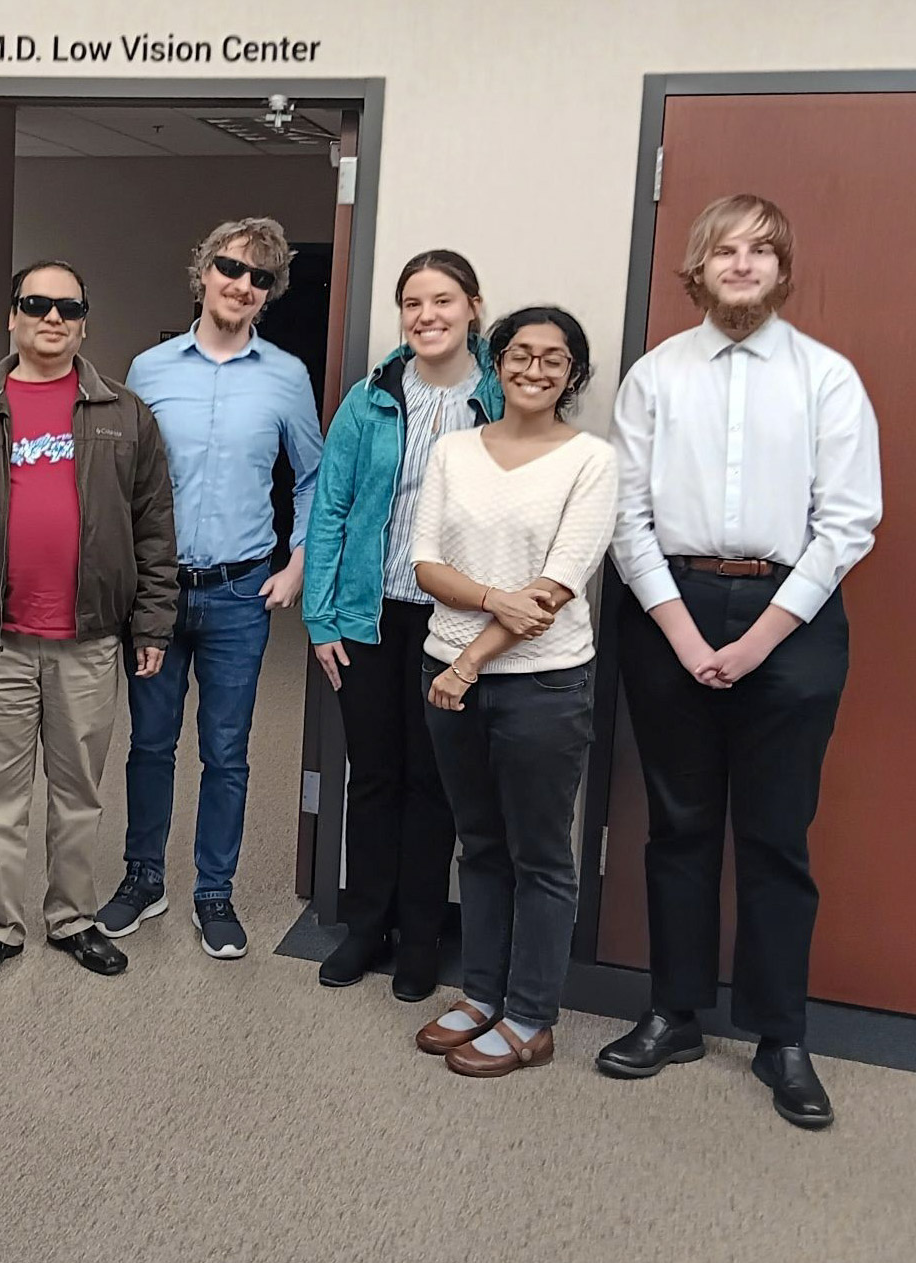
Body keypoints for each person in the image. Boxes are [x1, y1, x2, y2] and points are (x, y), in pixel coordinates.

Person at [599, 194, 881, 1129]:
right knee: (678, 826)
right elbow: (627, 518)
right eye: (728, 248)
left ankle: (780, 1036)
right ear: (700, 265)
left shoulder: (827, 378)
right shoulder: (654, 377)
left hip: (791, 614)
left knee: (774, 834)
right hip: (667, 607)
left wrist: (758, 640)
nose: (745, 262)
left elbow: (848, 524)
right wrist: (683, 634)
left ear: (781, 268)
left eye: (763, 250)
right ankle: (675, 1013)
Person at [0, 260, 178, 986]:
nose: (51, 318)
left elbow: (155, 526)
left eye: (67, 307)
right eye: (36, 304)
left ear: (84, 320)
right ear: (12, 316)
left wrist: (151, 623)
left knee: (78, 791)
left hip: (89, 639)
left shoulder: (125, 413)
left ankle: (73, 917)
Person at [102, 217, 323, 960]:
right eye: (231, 268)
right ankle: (142, 877)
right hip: (158, 595)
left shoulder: (287, 377)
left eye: (260, 277)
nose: (243, 285)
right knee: (150, 744)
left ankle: (213, 890)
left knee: (226, 749)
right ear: (203, 273)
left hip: (239, 594)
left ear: (269, 294)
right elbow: (125, 479)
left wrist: (296, 564)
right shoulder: (150, 369)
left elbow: (317, 476)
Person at [410, 307, 617, 1078]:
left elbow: (556, 590)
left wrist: (470, 662)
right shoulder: (453, 450)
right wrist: (496, 599)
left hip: (541, 686)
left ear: (573, 375)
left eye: (553, 359)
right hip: (448, 675)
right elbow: (425, 564)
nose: (534, 368)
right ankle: (481, 992)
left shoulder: (591, 460)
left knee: (540, 855)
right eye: (520, 354)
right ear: (496, 363)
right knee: (482, 844)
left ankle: (531, 1015)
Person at [302, 250, 503, 999]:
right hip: (369, 614)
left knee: (435, 782)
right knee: (375, 774)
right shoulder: (370, 398)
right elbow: (331, 508)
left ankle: (421, 936)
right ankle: (366, 926)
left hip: (454, 620)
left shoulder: (499, 400)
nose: (426, 316)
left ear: (473, 307)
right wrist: (322, 618)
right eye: (412, 303)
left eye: (442, 300)